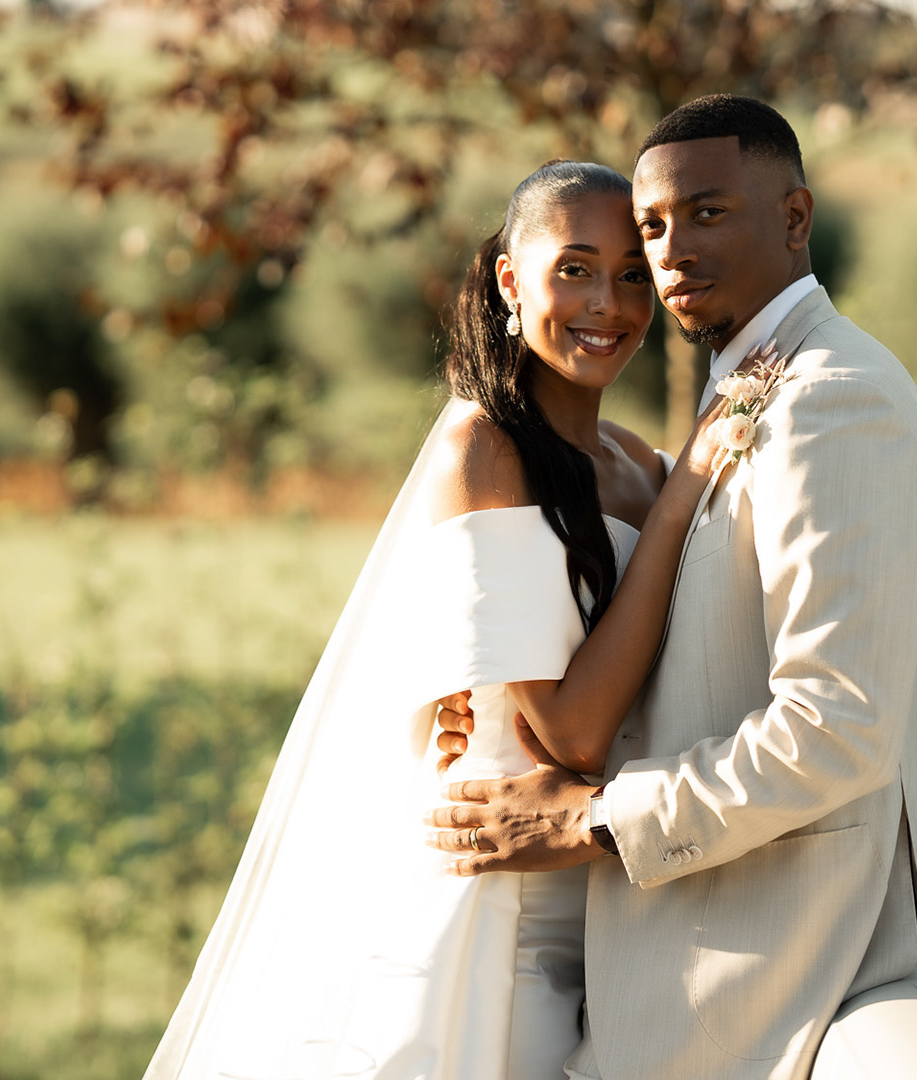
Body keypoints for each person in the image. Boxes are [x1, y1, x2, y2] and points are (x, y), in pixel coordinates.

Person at [143, 159, 754, 1079]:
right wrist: (685, 500)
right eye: (576, 268)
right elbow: (573, 734)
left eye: (634, 273)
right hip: (498, 919)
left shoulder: (644, 465)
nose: (610, 304)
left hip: (616, 894)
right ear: (512, 279)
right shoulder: (486, 446)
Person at [430, 95, 917, 1080]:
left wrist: (591, 818)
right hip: (627, 969)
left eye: (707, 213)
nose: (669, 254)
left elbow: (839, 726)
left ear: (795, 220)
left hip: (753, 985)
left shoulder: (833, 401)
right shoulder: (742, 395)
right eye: (653, 226)